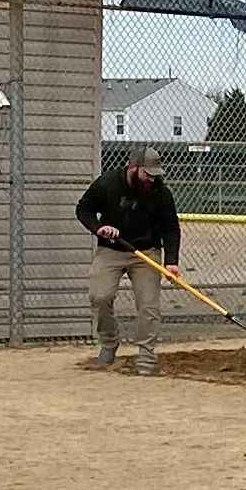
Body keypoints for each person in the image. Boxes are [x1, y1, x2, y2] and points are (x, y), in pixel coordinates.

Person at [75, 146, 182, 372]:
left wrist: (171, 261)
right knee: (99, 296)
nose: (152, 180)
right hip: (112, 250)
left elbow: (171, 228)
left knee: (148, 306)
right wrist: (99, 228)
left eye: (156, 175)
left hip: (146, 253)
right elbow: (83, 209)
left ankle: (146, 356)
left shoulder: (161, 193)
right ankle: (109, 341)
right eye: (147, 174)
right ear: (133, 167)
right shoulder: (107, 184)